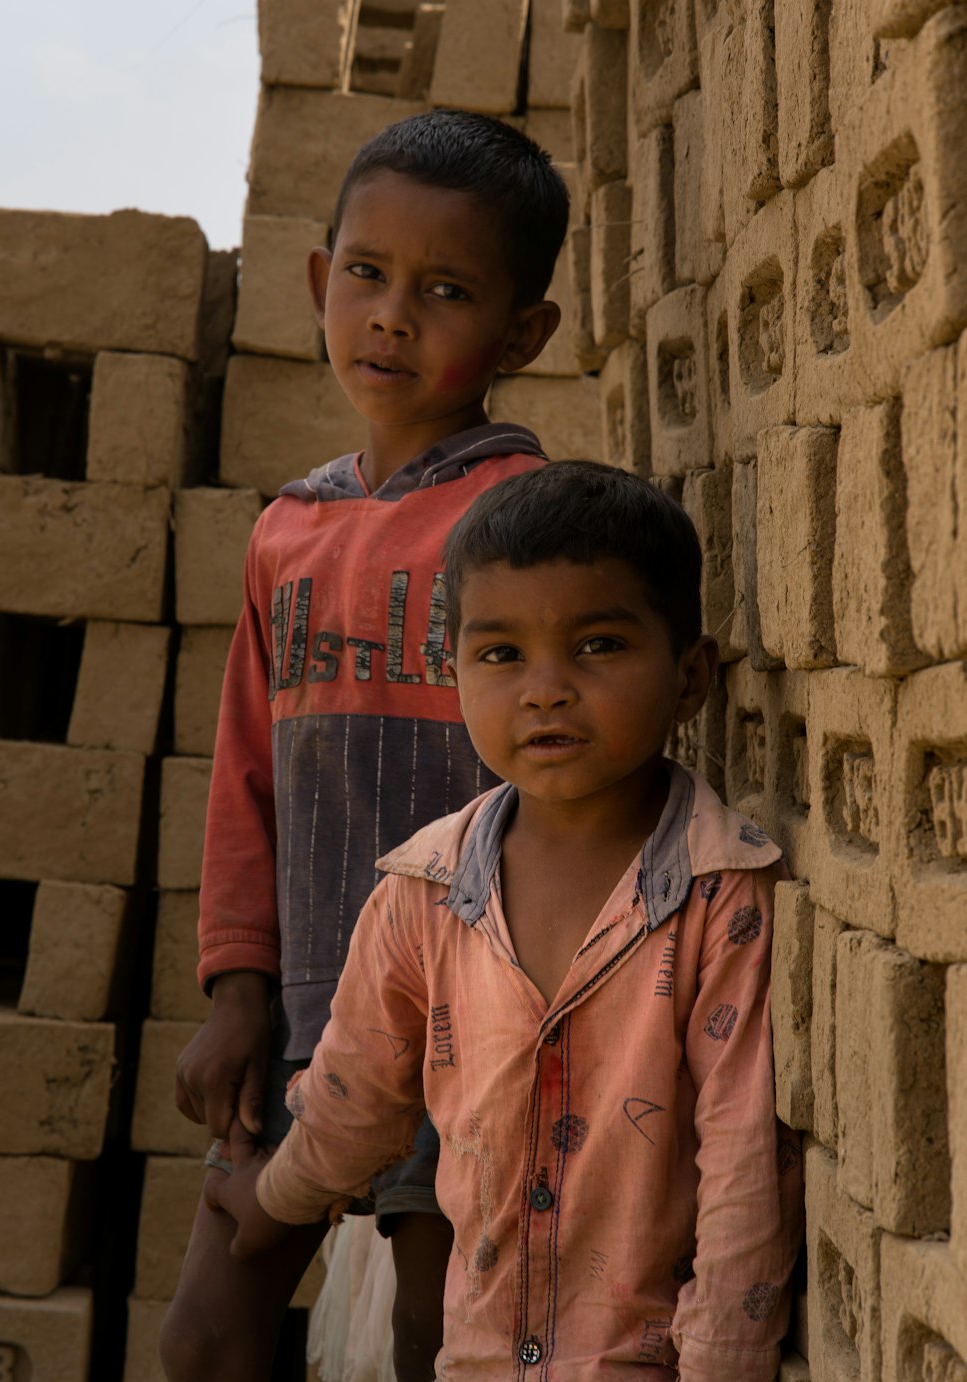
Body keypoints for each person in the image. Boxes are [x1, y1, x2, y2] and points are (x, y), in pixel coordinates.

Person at [209, 461, 806, 1379]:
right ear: (453, 675)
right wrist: (276, 1197)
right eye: (500, 654)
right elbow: (355, 1096)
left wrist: (723, 1363)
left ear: (691, 678)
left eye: (599, 646)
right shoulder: (422, 895)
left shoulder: (721, 900)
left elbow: (744, 1172)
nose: (545, 689)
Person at [158, 110, 569, 1382]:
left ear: (522, 334)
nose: (392, 316)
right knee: (206, 1333)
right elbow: (245, 776)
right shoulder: (287, 529)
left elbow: (554, 780)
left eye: (445, 290)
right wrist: (236, 986)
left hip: (460, 1016)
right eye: (367, 275)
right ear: (315, 280)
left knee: (428, 1331)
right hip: (298, 1014)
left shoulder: (519, 516)